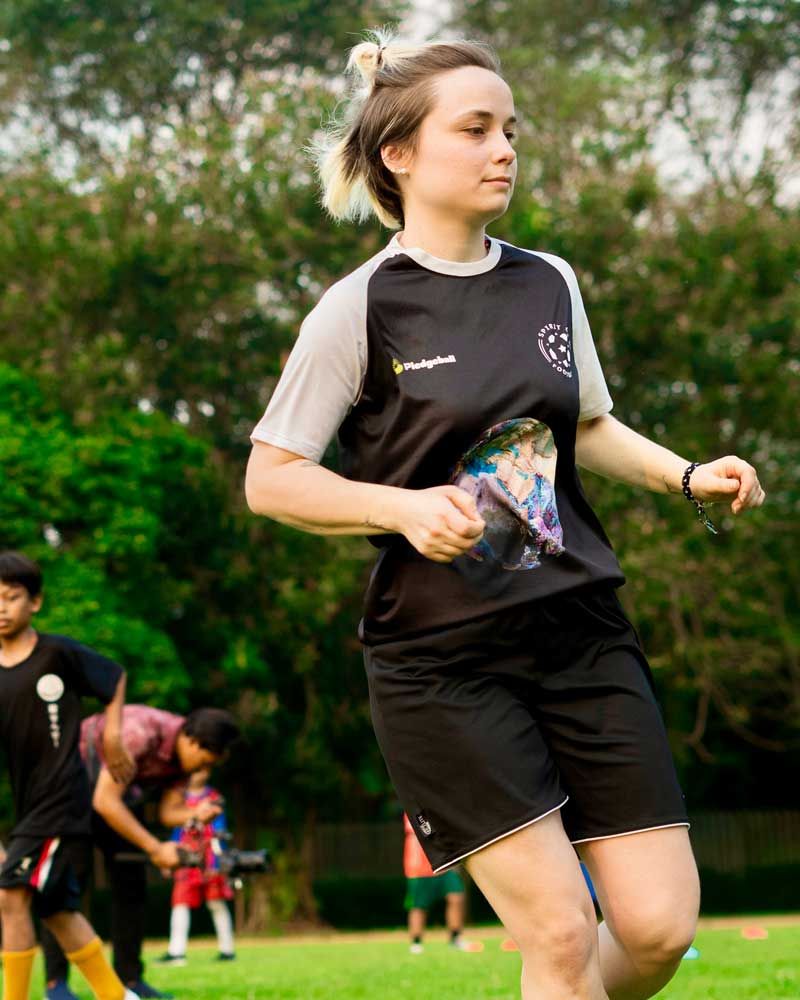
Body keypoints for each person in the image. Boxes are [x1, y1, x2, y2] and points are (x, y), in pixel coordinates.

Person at [244, 31, 766, 1000]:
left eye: (509, 130)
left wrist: (687, 475)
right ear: (399, 155)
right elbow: (271, 478)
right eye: (475, 129)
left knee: (654, 930)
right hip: (442, 663)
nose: (503, 150)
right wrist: (398, 507)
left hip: (580, 633)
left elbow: (589, 426)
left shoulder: (547, 279)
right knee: (559, 935)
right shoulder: (357, 307)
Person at [0, 551, 140, 1000]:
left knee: (11, 896)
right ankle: (118, 997)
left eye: (12, 597)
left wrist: (113, 735)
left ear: (35, 602)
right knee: (56, 909)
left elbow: (113, 676)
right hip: (27, 803)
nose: (2, 608)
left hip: (61, 798)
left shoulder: (56, 653)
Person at [41, 705, 240, 1000]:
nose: (202, 771)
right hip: (69, 791)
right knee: (67, 885)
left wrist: (195, 813)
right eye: (203, 762)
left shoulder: (182, 761)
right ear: (192, 741)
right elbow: (105, 802)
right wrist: (156, 847)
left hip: (114, 799)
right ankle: (56, 985)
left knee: (132, 883)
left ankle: (130, 979)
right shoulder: (139, 732)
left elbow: (167, 812)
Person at [157, 768, 235, 965]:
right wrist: (171, 858)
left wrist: (218, 862)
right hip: (186, 858)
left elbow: (220, 831)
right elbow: (177, 830)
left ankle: (227, 950)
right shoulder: (178, 798)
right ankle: (176, 952)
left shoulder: (214, 798)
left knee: (216, 902)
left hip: (210, 859)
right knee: (180, 902)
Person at [403, 814, 468, 954]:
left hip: (445, 862)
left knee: (456, 896)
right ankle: (416, 943)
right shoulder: (413, 806)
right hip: (419, 866)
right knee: (419, 905)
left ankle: (455, 938)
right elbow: (426, 830)